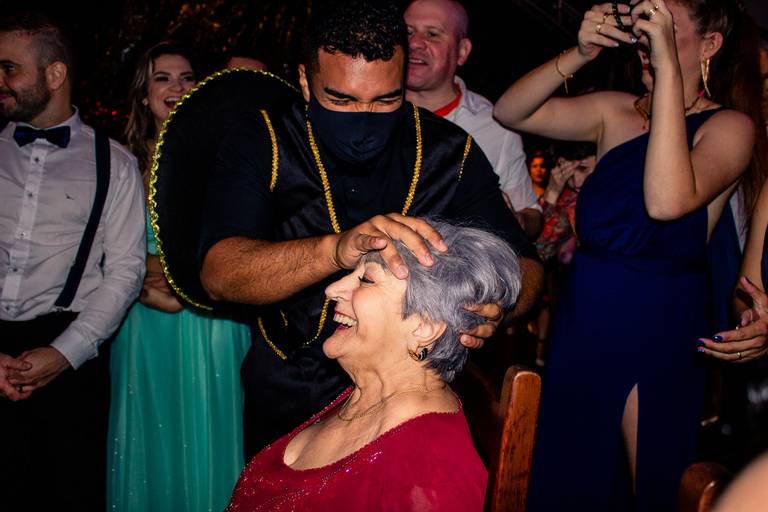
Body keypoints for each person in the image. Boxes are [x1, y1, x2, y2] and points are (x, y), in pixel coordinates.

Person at [198, 0, 542, 457]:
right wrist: (335, 250)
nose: (362, 119)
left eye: (385, 100)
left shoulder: (448, 152)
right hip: (289, 396)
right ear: (305, 81)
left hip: (414, 403)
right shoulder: (263, 139)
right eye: (341, 100)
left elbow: (526, 268)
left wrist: (493, 307)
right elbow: (219, 273)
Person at [493, 0, 764, 509]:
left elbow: (666, 202)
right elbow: (510, 111)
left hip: (658, 322)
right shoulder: (614, 110)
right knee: (565, 476)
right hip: (584, 313)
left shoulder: (731, 127)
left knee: (650, 486)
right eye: (644, 25)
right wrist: (580, 52)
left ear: (710, 45)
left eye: (664, 27)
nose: (647, 37)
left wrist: (667, 76)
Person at [226, 219, 519, 511]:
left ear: (425, 326)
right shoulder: (365, 398)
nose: (332, 289)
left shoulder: (429, 473)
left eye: (366, 279)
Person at [0, 10, 145, 511]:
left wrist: (65, 353)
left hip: (68, 358)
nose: (1, 81)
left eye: (9, 68)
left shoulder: (116, 164)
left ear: (55, 74)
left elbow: (125, 273)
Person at [107, 41, 251, 511]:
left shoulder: (227, 157)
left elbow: (236, 243)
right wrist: (144, 273)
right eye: (163, 77)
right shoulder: (118, 162)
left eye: (187, 77)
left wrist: (167, 273)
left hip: (214, 320)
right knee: (153, 434)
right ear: (142, 92)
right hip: (144, 319)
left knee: (214, 430)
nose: (177, 87)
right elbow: (101, 250)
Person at [404, 0, 543, 238]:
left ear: (462, 51)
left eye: (432, 34)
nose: (414, 43)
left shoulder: (495, 125)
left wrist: (516, 220)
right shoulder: (367, 107)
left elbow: (531, 215)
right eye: (408, 32)